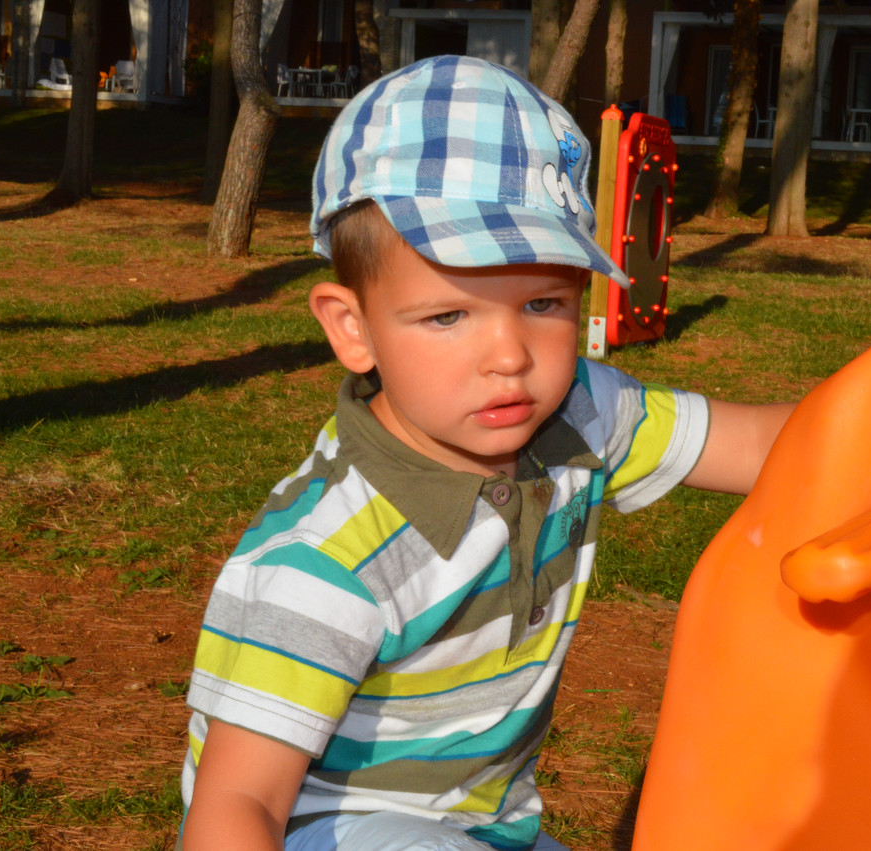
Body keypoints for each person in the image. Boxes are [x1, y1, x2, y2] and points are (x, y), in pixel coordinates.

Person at [179, 55, 795, 851]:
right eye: (447, 317)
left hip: (483, 826)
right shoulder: (324, 560)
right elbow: (238, 802)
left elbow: (767, 444)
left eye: (542, 303)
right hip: (321, 826)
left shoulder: (581, 415)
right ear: (352, 328)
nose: (509, 356)